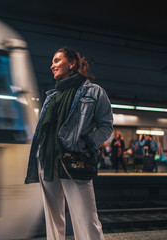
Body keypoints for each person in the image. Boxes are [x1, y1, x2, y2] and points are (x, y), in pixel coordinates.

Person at [24, 46, 113, 240]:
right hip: (47, 161)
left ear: (72, 63)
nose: (51, 66)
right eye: (52, 61)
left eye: (57, 60)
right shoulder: (52, 96)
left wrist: (86, 143)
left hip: (75, 158)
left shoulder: (94, 92)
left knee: (86, 218)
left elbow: (106, 126)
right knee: (53, 221)